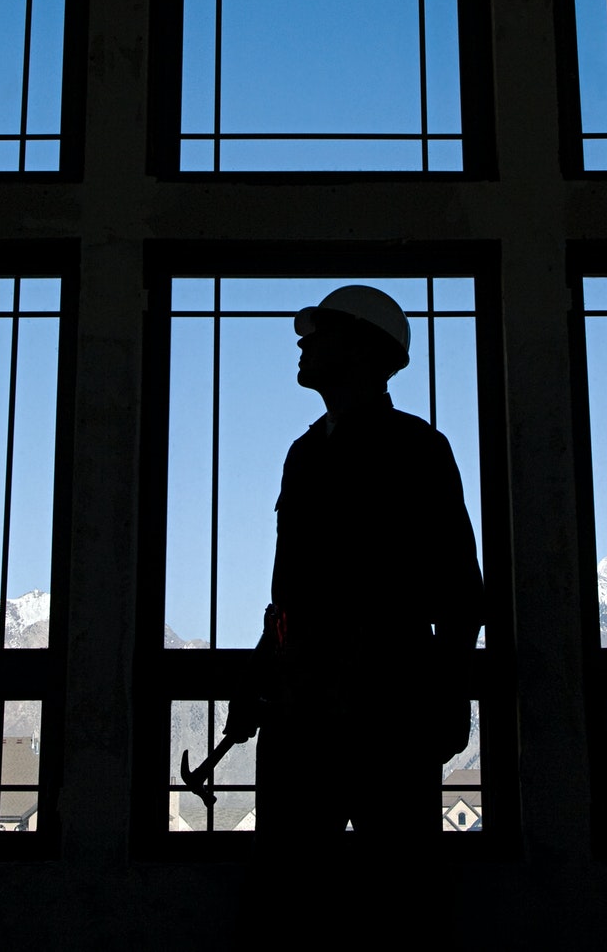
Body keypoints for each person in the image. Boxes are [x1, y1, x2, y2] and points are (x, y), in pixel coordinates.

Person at [221, 284, 484, 845]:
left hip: (386, 716)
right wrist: (257, 679)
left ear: (361, 349)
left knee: (387, 895)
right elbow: (288, 598)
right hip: (320, 710)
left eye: (318, 335)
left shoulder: (418, 450)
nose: (303, 346)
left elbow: (461, 595)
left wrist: (451, 703)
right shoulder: (307, 453)